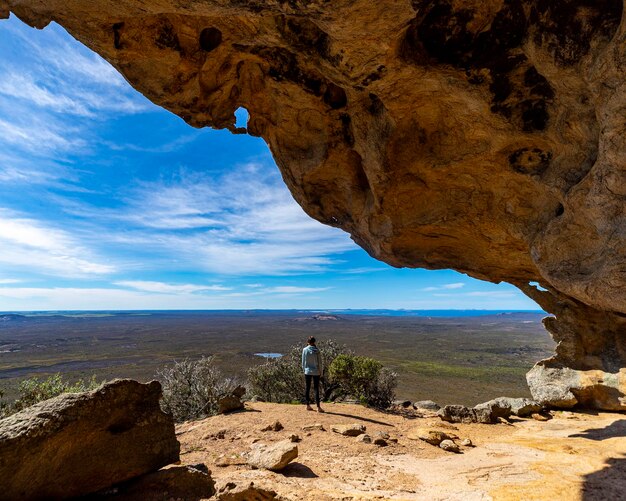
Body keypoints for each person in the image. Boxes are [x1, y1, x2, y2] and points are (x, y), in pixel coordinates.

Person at [302, 336, 323, 412]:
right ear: (314, 342)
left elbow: (303, 362)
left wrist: (304, 370)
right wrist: (321, 372)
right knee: (316, 388)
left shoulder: (305, 350)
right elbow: (320, 363)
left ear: (308, 342)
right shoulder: (317, 350)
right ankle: (318, 407)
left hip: (307, 371)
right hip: (316, 372)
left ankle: (307, 405)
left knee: (307, 388)